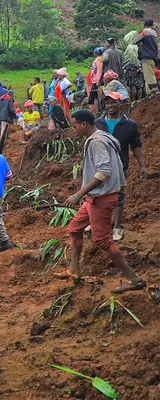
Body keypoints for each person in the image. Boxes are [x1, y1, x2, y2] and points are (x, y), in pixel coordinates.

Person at [57, 110, 146, 294]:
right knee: (75, 229)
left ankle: (134, 280)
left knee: (103, 240)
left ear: (83, 124)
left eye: (74, 126)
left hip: (101, 198)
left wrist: (78, 194)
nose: (73, 130)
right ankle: (73, 270)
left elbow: (104, 172)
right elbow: (117, 165)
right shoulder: (104, 137)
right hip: (96, 197)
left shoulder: (97, 142)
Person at [94, 92, 148, 241]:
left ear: (121, 103)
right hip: (99, 164)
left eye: (113, 102)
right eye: (108, 102)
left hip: (120, 164)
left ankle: (117, 227)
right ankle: (99, 223)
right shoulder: (98, 123)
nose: (110, 106)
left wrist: (142, 165)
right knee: (98, 193)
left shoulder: (130, 125)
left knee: (118, 196)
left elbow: (136, 145)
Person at [132, 19, 158, 94]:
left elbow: (134, 41)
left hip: (146, 57)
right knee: (150, 74)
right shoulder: (154, 33)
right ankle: (150, 93)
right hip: (153, 57)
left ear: (145, 25)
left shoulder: (145, 32)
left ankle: (153, 92)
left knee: (148, 76)